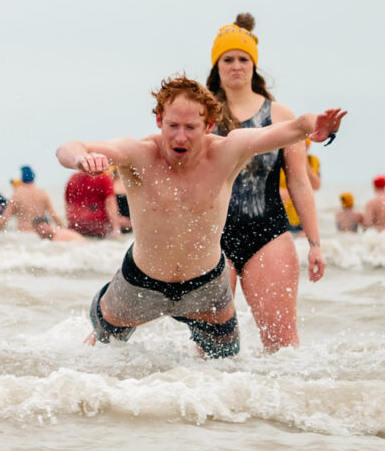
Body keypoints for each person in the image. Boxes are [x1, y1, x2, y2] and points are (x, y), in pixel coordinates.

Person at [57, 75, 344, 358]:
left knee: (225, 371)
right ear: (159, 120)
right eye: (172, 126)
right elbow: (69, 147)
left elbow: (289, 129)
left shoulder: (228, 151)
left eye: (191, 127)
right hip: (140, 284)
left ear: (208, 125)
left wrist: (311, 125)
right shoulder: (139, 153)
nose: (180, 137)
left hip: (206, 288)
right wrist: (81, 159)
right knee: (96, 357)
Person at [205, 15, 324, 350]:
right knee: (210, 351)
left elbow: (299, 183)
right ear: (217, 66)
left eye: (243, 59)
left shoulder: (280, 116)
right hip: (213, 241)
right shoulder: (203, 117)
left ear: (254, 65)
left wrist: (315, 244)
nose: (236, 66)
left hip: (268, 234)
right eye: (228, 59)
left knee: (282, 346)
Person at [0, 167, 62, 234]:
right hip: (39, 234)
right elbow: (53, 215)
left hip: (23, 234)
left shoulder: (17, 195)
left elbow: (5, 217)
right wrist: (63, 228)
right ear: (34, 178)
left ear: (22, 179)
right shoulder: (42, 193)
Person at [64, 166, 122, 239]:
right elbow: (110, 203)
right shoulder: (104, 178)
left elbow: (68, 205)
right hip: (97, 226)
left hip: (76, 226)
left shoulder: (73, 178)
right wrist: (116, 228)